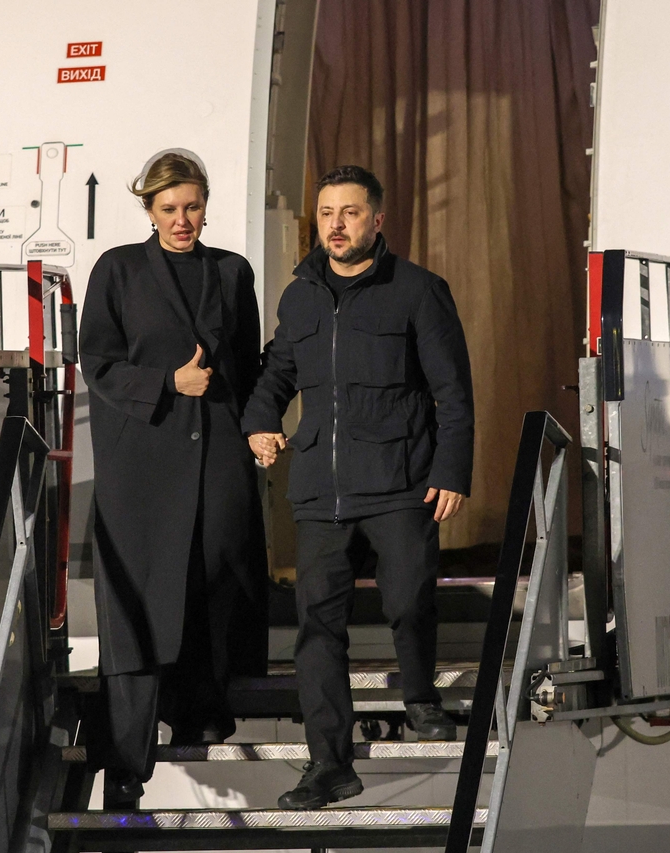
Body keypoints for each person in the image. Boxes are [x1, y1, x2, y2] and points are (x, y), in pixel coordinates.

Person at [246, 165, 474, 810]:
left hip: (401, 481)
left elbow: (453, 392)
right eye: (326, 213)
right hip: (320, 491)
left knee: (409, 599)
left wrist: (451, 472)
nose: (336, 225)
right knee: (317, 628)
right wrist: (259, 422)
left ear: (377, 219)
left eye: (349, 213)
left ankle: (421, 699)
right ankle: (329, 764)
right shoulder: (299, 297)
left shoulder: (419, 291)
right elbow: (276, 373)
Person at [78, 150, 268, 809]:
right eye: (169, 208)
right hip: (142, 462)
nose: (182, 219)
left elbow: (247, 367)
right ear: (150, 209)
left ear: (206, 205)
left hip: (216, 453)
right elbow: (97, 362)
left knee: (212, 579)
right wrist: (168, 382)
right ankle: (126, 758)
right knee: (137, 600)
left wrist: (259, 429)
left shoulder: (232, 271)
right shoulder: (118, 270)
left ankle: (200, 714)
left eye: (192, 206)